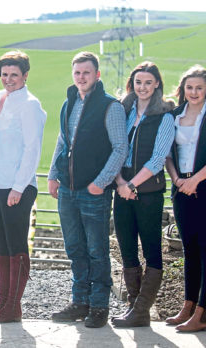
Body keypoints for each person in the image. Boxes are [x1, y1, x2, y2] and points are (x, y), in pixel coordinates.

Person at [47, 51, 127, 328]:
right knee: (75, 249)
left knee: (97, 250)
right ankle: (79, 301)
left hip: (94, 191)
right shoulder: (68, 103)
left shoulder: (110, 106)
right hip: (67, 190)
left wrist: (100, 182)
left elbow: (120, 148)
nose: (81, 77)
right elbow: (62, 141)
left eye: (86, 72)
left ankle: (99, 306)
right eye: (77, 72)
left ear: (97, 75)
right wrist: (53, 175)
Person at [0, 51, 46, 323]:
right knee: (2, 245)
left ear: (25, 75)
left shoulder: (30, 104)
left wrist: (18, 187)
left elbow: (32, 148)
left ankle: (14, 307)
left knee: (16, 245)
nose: (8, 79)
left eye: (14, 74)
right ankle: (3, 301)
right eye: (4, 74)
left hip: (17, 186)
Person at [165, 65, 206, 332]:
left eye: (199, 88)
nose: (193, 92)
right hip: (181, 188)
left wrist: (195, 180)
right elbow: (168, 154)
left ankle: (203, 315)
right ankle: (188, 307)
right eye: (189, 87)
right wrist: (178, 180)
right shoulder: (173, 115)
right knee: (189, 249)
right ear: (183, 89)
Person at [110, 62, 175, 327]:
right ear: (132, 84)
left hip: (148, 192)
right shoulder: (122, 111)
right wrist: (119, 182)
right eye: (138, 82)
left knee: (151, 250)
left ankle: (142, 309)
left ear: (157, 83)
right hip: (121, 188)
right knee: (126, 248)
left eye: (148, 82)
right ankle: (135, 309)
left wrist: (131, 185)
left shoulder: (165, 116)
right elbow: (113, 148)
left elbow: (159, 158)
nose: (143, 87)